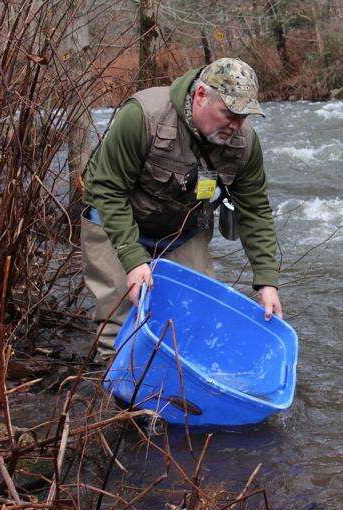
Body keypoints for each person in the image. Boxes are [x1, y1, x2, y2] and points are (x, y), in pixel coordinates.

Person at [81, 57, 282, 362]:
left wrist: (267, 281)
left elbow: (255, 210)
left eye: (244, 115)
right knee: (119, 317)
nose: (236, 125)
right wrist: (134, 260)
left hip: (182, 228)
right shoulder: (143, 116)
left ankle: (173, 389)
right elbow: (107, 190)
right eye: (229, 112)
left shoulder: (246, 142)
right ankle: (112, 394)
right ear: (201, 95)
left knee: (193, 317)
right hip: (116, 218)